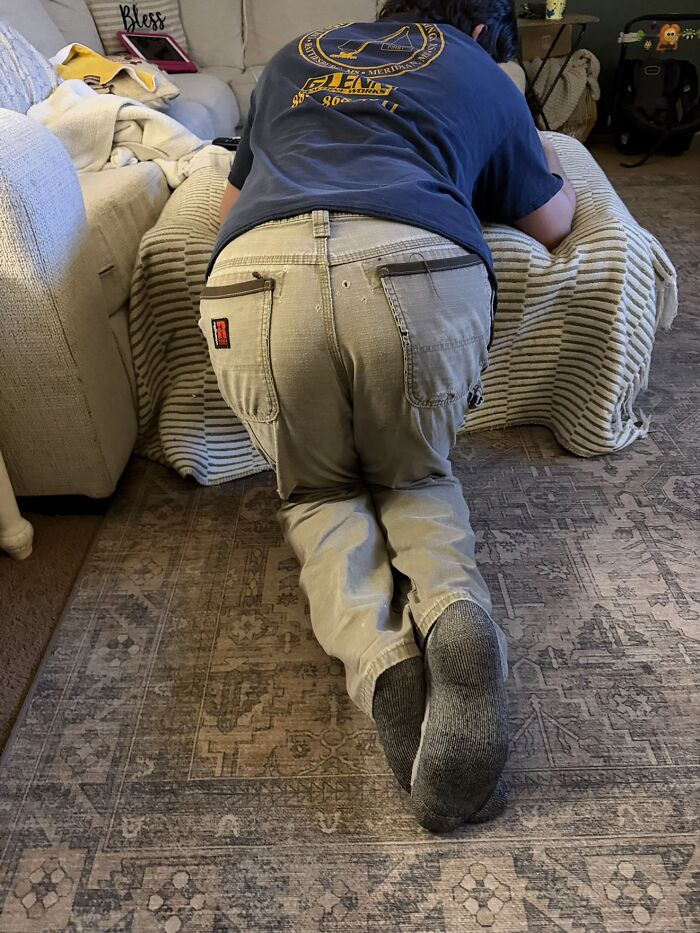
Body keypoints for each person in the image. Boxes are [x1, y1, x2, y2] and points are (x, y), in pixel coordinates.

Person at [200, 0, 576, 834]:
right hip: (415, 269)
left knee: (320, 494)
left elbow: (227, 215)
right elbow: (553, 224)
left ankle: (383, 663)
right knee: (414, 474)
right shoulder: (482, 71)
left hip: (255, 282)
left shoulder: (294, 56)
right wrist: (546, 159)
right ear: (481, 30)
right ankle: (454, 615)